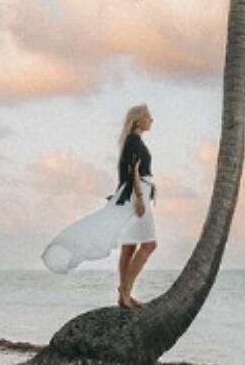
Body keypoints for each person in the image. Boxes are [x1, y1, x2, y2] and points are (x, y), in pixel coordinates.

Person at [40, 104, 159, 309]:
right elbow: (134, 172)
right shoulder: (133, 141)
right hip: (137, 194)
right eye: (148, 117)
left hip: (133, 193)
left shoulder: (133, 141)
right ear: (138, 120)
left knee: (129, 246)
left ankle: (125, 295)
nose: (152, 121)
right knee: (149, 245)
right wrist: (139, 197)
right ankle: (125, 291)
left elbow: (127, 173)